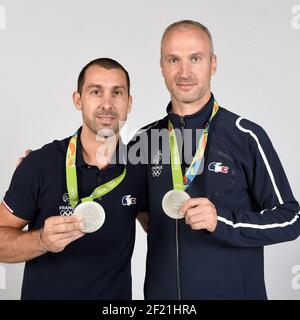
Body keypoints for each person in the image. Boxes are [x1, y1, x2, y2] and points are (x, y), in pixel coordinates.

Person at [133, 20, 300, 299]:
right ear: (162, 66)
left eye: (195, 59)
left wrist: (221, 222)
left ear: (213, 64)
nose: (184, 72)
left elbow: (291, 219)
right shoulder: (144, 139)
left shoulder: (246, 135)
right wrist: (41, 168)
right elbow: (123, 204)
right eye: (174, 59)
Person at [0, 58, 147, 299]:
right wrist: (41, 241)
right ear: (78, 99)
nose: (107, 104)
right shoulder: (39, 164)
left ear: (129, 103)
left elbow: (162, 229)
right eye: (96, 91)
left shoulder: (139, 169)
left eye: (117, 92)